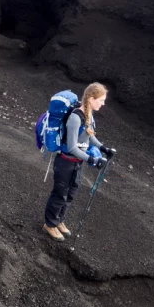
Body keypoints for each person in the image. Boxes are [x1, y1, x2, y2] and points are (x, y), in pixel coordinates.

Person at [43, 82, 114, 241]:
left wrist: (103, 148)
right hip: (65, 162)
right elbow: (72, 147)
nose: (103, 104)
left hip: (77, 163)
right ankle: (50, 224)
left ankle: (59, 220)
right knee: (60, 194)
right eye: (101, 100)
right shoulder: (75, 118)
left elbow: (89, 135)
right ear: (91, 99)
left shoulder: (89, 114)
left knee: (71, 193)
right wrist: (92, 159)